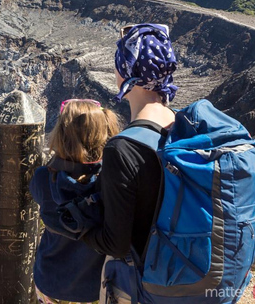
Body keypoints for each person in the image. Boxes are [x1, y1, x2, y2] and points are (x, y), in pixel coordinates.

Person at [81, 23, 178, 303]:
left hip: (145, 284)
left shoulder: (123, 149)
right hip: (190, 272)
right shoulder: (189, 130)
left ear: (125, 71)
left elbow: (117, 243)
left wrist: (79, 230)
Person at [30, 98, 121, 304]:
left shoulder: (43, 178)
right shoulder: (112, 182)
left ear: (61, 134)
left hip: (50, 282)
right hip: (95, 288)